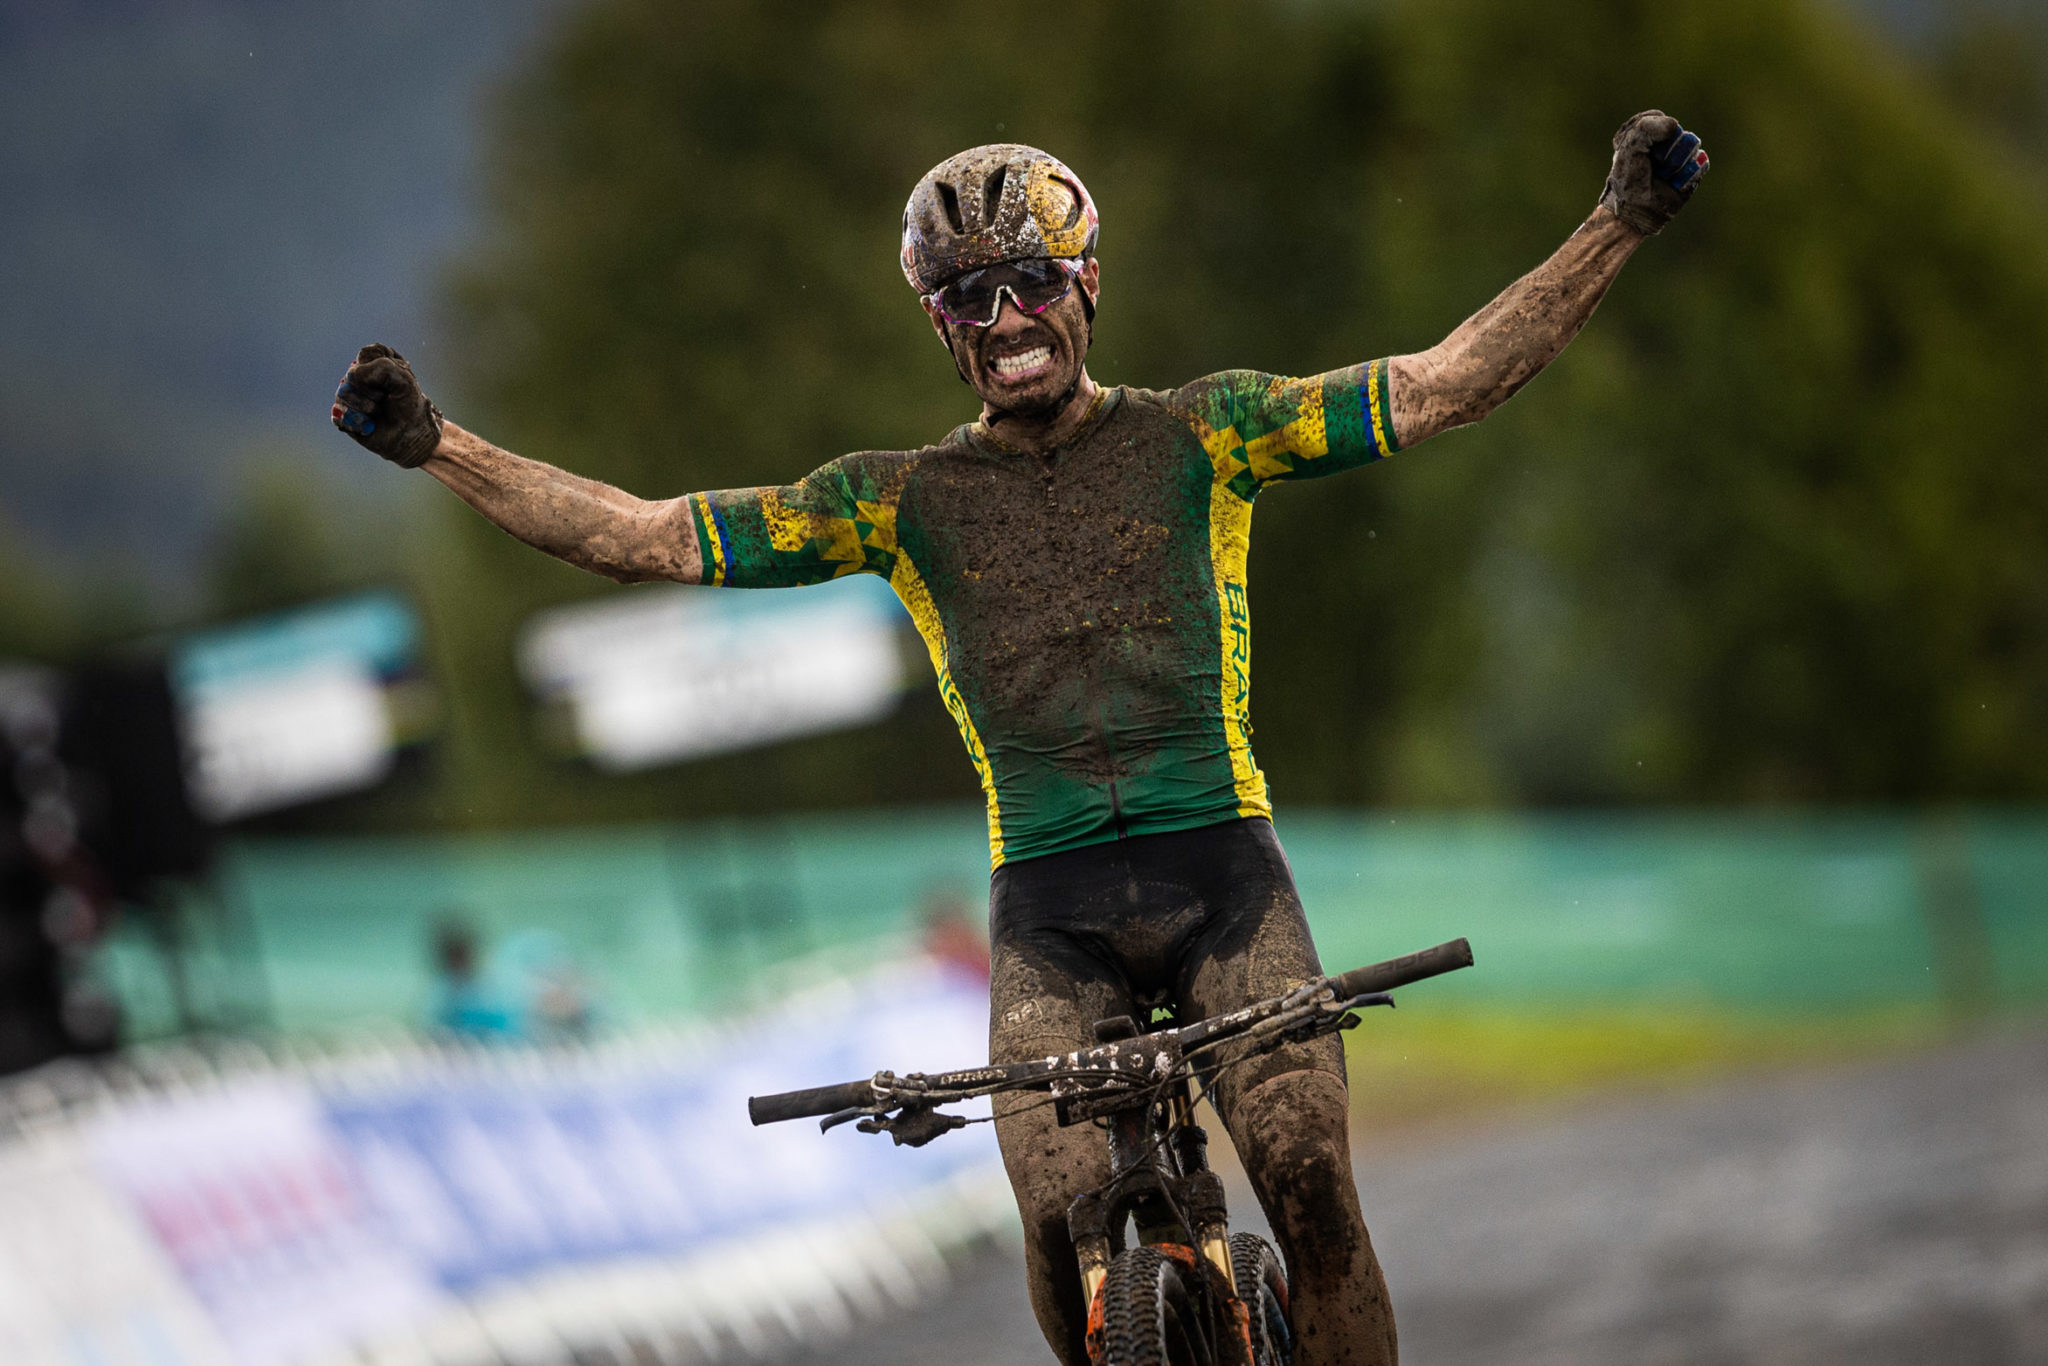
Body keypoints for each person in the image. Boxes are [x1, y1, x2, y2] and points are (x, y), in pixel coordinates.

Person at [332, 113, 1707, 1365]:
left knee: (1307, 1174)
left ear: (1086, 285)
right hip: (1048, 914)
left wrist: (1619, 222)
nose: (1007, 316)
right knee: (1055, 1227)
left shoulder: (1209, 432)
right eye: (967, 296)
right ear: (939, 323)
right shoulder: (892, 502)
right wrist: (439, 444)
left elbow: (1443, 384)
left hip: (1225, 880)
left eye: (1033, 280)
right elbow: (640, 535)